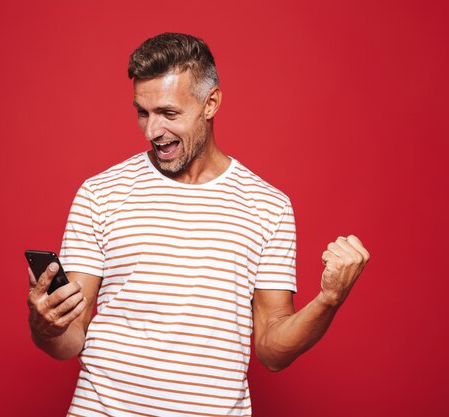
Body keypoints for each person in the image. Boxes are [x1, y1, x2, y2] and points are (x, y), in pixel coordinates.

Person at [27, 32, 370, 417]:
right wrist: (46, 325)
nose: (152, 131)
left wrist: (329, 300)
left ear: (211, 103)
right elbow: (71, 338)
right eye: (143, 112)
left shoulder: (267, 206)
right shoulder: (100, 193)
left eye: (169, 114)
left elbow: (273, 350)